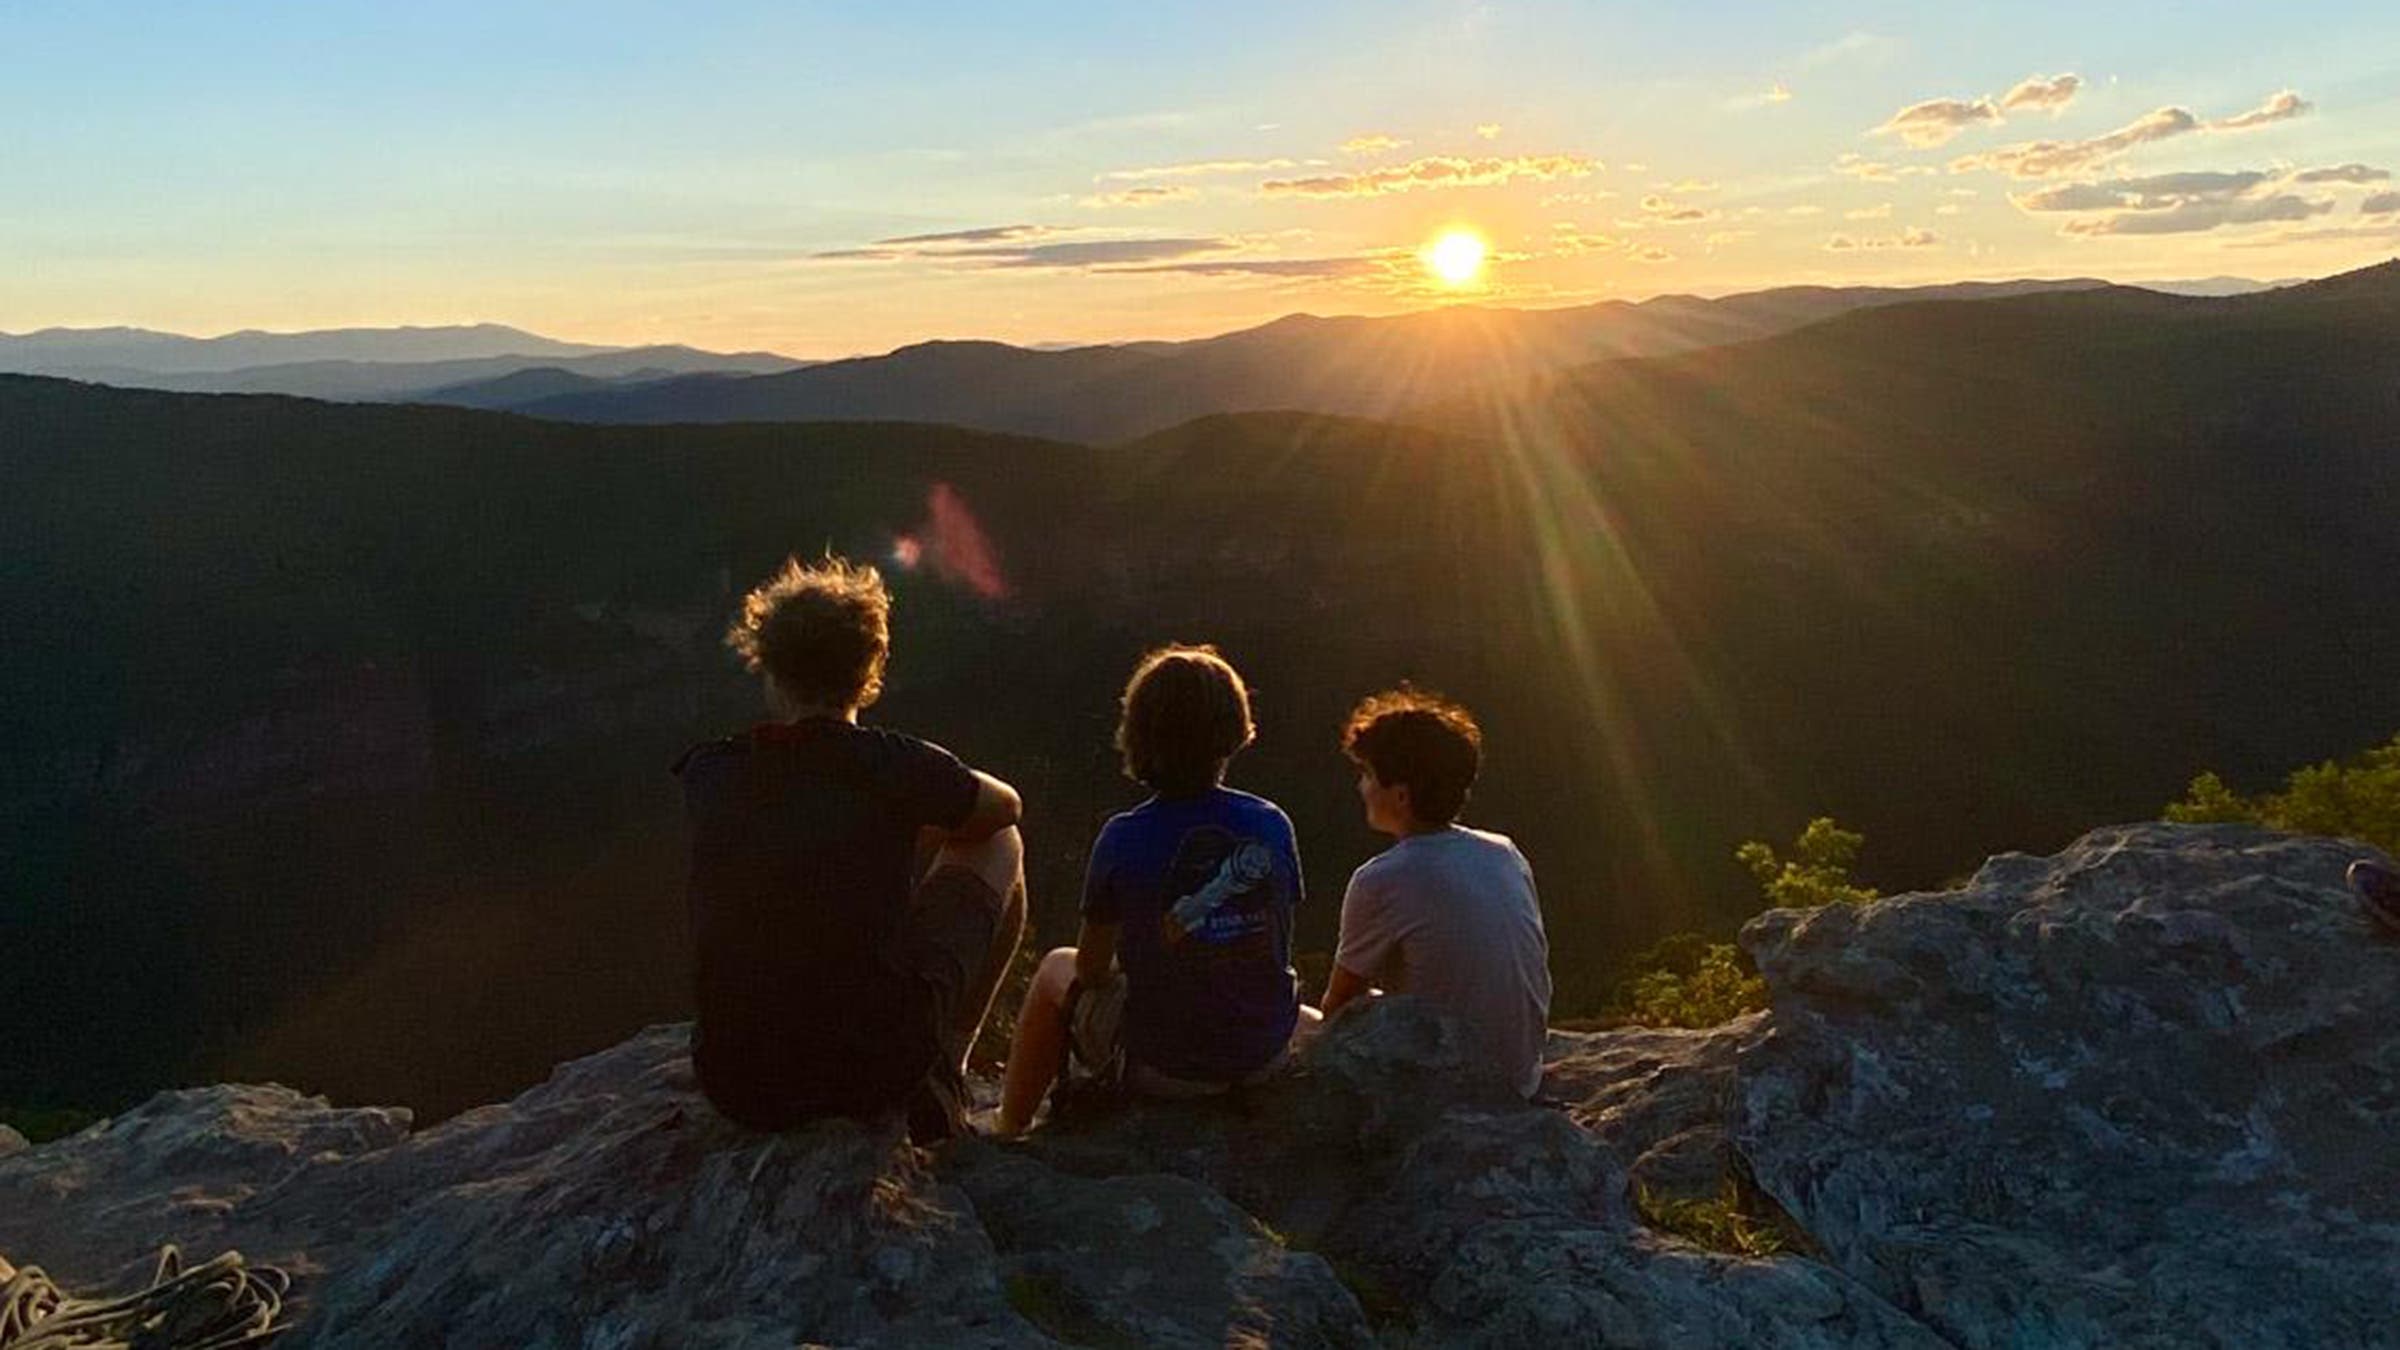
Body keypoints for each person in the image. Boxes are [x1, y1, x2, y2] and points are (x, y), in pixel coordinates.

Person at [676, 555, 1025, 1142]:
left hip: (736, 1083)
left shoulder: (712, 773)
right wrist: (923, 810)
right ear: (870, 668)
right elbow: (1005, 807)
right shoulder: (893, 765)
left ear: (770, 669)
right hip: (868, 1075)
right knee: (997, 840)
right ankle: (946, 1064)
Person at [995, 644, 1304, 1135]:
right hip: (1265, 1056)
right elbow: (1273, 942)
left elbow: (1090, 970)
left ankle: (1010, 1124)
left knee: (1055, 967)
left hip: (1167, 1069)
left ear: (1139, 736)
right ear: (1234, 732)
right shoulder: (1271, 823)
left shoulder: (1124, 836)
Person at [1322, 688, 1553, 1099]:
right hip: (1522, 1076)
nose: (1361, 787)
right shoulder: (1504, 852)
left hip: (1451, 1088)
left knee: (1297, 1026)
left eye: (1368, 775)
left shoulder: (1382, 878)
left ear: (1401, 796)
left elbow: (1338, 1006)